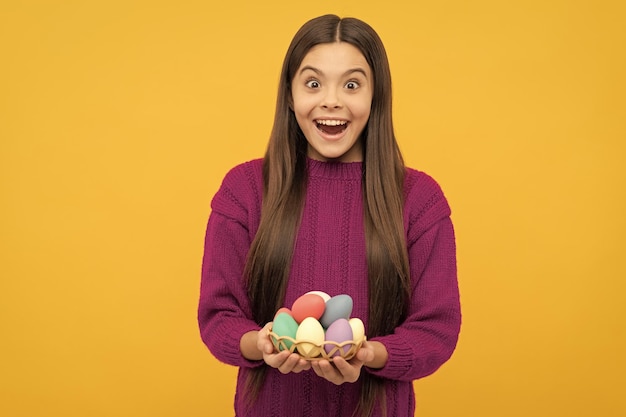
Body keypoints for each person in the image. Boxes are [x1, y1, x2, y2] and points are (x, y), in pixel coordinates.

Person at [198, 14, 461, 417]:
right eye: (313, 83)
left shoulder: (419, 199)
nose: (331, 101)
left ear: (376, 96)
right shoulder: (245, 190)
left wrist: (371, 354)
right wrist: (263, 343)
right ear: (290, 94)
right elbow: (219, 317)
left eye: (352, 84)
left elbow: (436, 330)